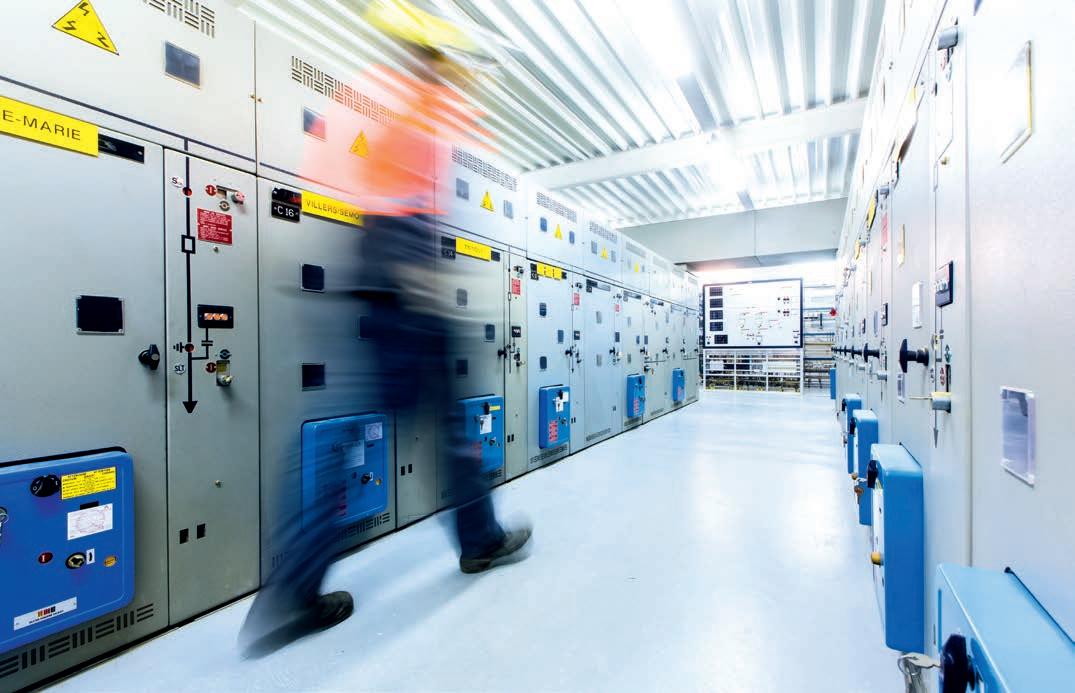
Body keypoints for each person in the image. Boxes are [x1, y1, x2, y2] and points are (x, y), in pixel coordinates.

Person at [238, 0, 530, 658]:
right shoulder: (412, 109)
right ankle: (294, 592)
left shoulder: (393, 105)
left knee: (403, 427)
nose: (454, 74)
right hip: (404, 280)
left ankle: (470, 540)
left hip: (383, 277)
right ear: (431, 60)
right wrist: (420, 282)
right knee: (383, 430)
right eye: (446, 63)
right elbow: (403, 204)